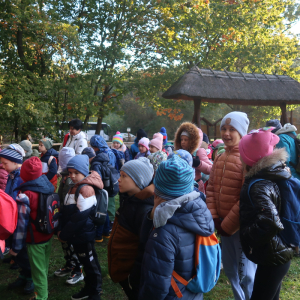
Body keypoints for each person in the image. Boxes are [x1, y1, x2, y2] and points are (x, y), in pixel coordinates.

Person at [139, 155, 214, 299]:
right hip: (192, 292)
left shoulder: (163, 233)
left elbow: (156, 286)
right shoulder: (200, 212)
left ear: (157, 192)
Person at [206, 111, 257, 300]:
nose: (226, 133)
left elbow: (245, 196)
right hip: (222, 225)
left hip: (239, 228)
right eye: (224, 129)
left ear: (242, 133)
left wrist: (227, 225)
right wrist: (214, 217)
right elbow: (211, 187)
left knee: (246, 274)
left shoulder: (247, 161)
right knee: (230, 270)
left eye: (232, 129)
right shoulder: (219, 157)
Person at [239, 127, 293, 300]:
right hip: (277, 253)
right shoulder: (269, 176)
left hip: (274, 255)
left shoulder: (259, 185)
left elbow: (269, 220)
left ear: (248, 157)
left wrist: (248, 236)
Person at [108, 158, 154, 300]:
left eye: (124, 176)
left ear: (138, 180)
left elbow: (145, 248)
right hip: (123, 267)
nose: (118, 180)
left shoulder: (143, 210)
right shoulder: (129, 200)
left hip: (132, 272)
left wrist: (132, 275)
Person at [58, 155, 103, 300]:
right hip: (77, 235)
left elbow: (80, 218)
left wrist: (64, 233)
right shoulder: (75, 187)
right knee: (85, 263)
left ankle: (95, 291)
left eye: (76, 173)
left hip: (84, 235)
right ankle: (88, 288)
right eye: (70, 172)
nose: (72, 176)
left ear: (84, 172)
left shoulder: (85, 189)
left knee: (90, 264)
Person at [14, 157, 55, 300]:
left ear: (24, 174)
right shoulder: (48, 187)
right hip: (48, 234)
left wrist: (16, 246)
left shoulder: (25, 195)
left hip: (34, 239)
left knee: (38, 272)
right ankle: (42, 293)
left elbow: (21, 224)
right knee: (43, 267)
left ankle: (41, 297)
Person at [0, 144, 34, 294]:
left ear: (15, 162)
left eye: (5, 163)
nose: (2, 166)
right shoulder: (11, 175)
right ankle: (23, 275)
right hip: (11, 220)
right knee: (17, 252)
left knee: (23, 252)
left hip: (21, 221)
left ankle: (31, 278)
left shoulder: (22, 179)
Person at [54, 147, 84, 285]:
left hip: (72, 219)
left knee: (73, 246)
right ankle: (69, 265)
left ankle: (78, 270)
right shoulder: (65, 177)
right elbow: (61, 196)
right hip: (64, 215)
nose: (71, 175)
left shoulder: (78, 183)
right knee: (65, 244)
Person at [174, 122, 212, 192]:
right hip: (182, 186)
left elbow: (210, 169)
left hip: (196, 186)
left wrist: (198, 163)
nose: (183, 142)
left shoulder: (198, 152)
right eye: (181, 139)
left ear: (193, 141)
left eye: (186, 140)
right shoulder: (179, 153)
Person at [90, 135, 117, 230]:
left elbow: (110, 167)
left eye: (94, 146)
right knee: (104, 201)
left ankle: (110, 221)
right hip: (104, 179)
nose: (93, 149)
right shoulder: (100, 152)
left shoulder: (108, 153)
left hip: (109, 179)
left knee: (109, 202)